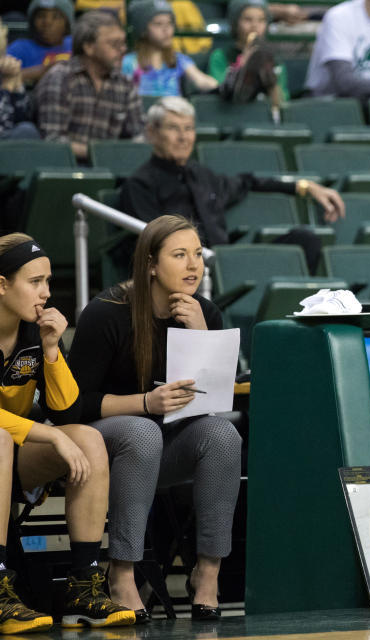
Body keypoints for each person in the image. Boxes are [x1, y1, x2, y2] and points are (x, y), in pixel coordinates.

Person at [68, 215, 242, 622]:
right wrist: (145, 402)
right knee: (143, 431)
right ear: (150, 264)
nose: (193, 266)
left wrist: (201, 335)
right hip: (102, 445)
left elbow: (211, 404)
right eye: (179, 255)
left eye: (197, 254)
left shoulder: (205, 313)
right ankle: (122, 573)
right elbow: (74, 405)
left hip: (165, 447)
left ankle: (208, 572)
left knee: (223, 435)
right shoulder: (107, 313)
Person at [0, 233, 136, 630]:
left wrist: (52, 350)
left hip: (12, 455)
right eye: (34, 282)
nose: (45, 293)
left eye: (47, 281)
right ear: (2, 285)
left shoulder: (33, 332)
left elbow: (67, 412)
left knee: (87, 437)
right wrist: (51, 436)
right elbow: (49, 430)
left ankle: (84, 586)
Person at [119, 96, 344, 274]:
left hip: (229, 264)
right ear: (152, 133)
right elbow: (152, 248)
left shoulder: (203, 175)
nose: (183, 137)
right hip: (190, 273)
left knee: (306, 240)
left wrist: (307, 187)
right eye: (173, 128)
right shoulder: (140, 184)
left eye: (189, 129)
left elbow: (249, 181)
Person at [35, 10, 143, 162]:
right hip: (65, 167)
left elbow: (137, 135)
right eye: (114, 44)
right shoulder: (60, 78)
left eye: (123, 43)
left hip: (112, 168)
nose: (123, 49)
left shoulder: (125, 85)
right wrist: (101, 153)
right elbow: (53, 141)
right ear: (88, 47)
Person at [122, 0, 218, 97]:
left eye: (169, 23)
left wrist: (222, 87)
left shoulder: (178, 60)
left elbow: (201, 80)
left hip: (173, 109)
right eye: (158, 24)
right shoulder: (128, 62)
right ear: (143, 30)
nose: (166, 29)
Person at [207, 0, 290, 103]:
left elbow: (282, 102)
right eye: (247, 19)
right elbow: (219, 91)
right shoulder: (220, 55)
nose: (254, 25)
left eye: (261, 20)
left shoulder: (273, 59)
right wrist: (242, 66)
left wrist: (270, 80)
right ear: (235, 23)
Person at [5, 0, 72, 86]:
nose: (47, 23)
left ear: (67, 25)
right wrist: (43, 71)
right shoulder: (20, 48)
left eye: (56, 17)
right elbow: (4, 78)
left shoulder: (75, 44)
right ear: (32, 22)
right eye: (41, 16)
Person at [0, 18, 41, 139]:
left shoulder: (7, 68)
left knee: (27, 130)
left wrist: (16, 85)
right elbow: (3, 127)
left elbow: (22, 117)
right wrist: (6, 87)